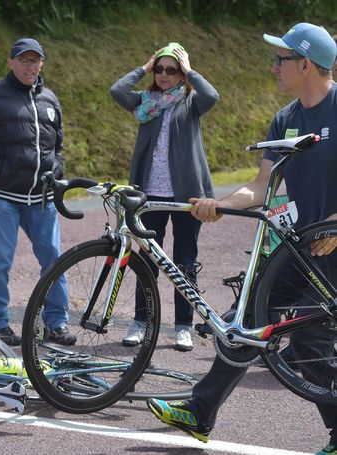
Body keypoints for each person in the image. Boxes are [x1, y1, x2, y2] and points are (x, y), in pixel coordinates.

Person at [146, 23, 337, 455]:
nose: (273, 67)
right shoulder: (287, 118)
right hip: (300, 247)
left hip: (334, 243)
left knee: (310, 339)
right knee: (245, 323)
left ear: (305, 64)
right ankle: (200, 411)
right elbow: (260, 184)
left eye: (281, 59)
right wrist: (219, 204)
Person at [0, 38, 76, 347]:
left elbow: (57, 145)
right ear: (11, 62)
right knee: (0, 263)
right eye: (24, 60)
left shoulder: (50, 99)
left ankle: (57, 324)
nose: (29, 66)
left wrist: (56, 169)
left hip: (41, 199)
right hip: (3, 196)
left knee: (54, 261)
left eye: (35, 60)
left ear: (42, 64)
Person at [110, 43, 219, 351]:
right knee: (147, 262)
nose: (164, 74)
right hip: (150, 194)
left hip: (187, 195)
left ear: (181, 73)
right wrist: (143, 67)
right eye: (160, 69)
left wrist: (190, 70)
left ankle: (183, 326)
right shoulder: (145, 102)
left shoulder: (191, 100)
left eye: (172, 70)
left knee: (184, 262)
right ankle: (141, 322)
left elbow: (213, 96)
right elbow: (116, 90)